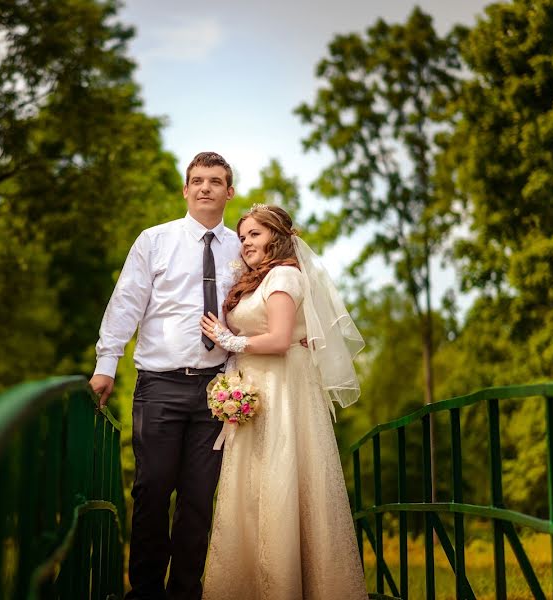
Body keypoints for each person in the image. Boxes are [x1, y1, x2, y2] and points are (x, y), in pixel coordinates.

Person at [89, 152, 241, 600]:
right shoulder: (154, 241)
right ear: (185, 190)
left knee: (198, 498)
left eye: (215, 181)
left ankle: (186, 593)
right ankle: (145, 592)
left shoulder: (242, 247)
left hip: (219, 390)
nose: (205, 187)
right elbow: (126, 304)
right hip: (160, 385)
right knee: (153, 490)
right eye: (197, 180)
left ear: (229, 192)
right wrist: (105, 365)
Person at [199, 204, 368, 599]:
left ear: (276, 235)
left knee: (281, 477)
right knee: (252, 486)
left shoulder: (285, 276)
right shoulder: (259, 279)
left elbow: (277, 340)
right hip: (256, 389)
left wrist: (228, 340)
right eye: (242, 237)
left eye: (254, 234)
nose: (246, 243)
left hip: (281, 392)